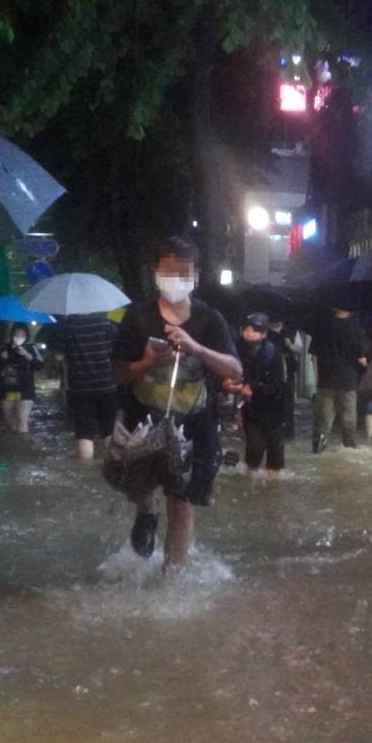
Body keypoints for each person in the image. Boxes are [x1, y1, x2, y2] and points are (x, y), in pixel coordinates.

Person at [113, 237, 241, 568]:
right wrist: (148, 363)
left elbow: (235, 369)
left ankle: (173, 576)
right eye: (169, 271)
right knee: (140, 487)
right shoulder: (137, 318)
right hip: (144, 420)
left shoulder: (209, 319)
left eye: (184, 272)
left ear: (195, 275)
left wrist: (197, 349)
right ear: (155, 272)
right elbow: (118, 373)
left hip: (195, 423)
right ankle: (147, 510)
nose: (176, 279)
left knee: (183, 503)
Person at [222, 312, 287, 479]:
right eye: (247, 329)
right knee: (254, 447)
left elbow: (278, 383)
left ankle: (273, 482)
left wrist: (253, 388)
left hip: (274, 406)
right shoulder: (236, 349)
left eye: (255, 330)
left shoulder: (273, 352)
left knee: (275, 448)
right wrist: (230, 384)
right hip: (250, 407)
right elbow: (228, 371)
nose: (249, 333)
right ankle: (250, 480)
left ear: (264, 334)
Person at [50, 312, 119, 460]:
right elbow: (118, 352)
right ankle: (115, 466)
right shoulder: (107, 325)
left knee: (84, 433)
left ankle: (85, 469)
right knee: (109, 430)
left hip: (80, 387)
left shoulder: (67, 327)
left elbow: (58, 357)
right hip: (107, 385)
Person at [308, 307, 369, 452]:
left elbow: (314, 357)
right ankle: (349, 450)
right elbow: (362, 359)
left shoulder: (321, 328)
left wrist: (318, 379)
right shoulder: (357, 329)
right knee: (349, 420)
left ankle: (317, 451)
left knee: (323, 420)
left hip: (325, 380)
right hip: (348, 381)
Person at [0, 323, 43, 433]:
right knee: (9, 421)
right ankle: (13, 441)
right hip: (6, 389)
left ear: (26, 336)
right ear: (12, 335)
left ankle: (23, 441)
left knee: (22, 419)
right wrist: (2, 358)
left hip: (26, 389)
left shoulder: (31, 348)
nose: (19, 337)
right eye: (17, 334)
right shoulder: (4, 348)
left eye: (22, 335)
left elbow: (39, 365)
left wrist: (26, 354)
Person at [265, 316, 303, 440]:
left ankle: (288, 432)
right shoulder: (263, 331)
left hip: (288, 373)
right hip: (269, 374)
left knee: (288, 404)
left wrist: (289, 345)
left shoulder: (291, 331)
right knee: (270, 403)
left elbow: (299, 348)